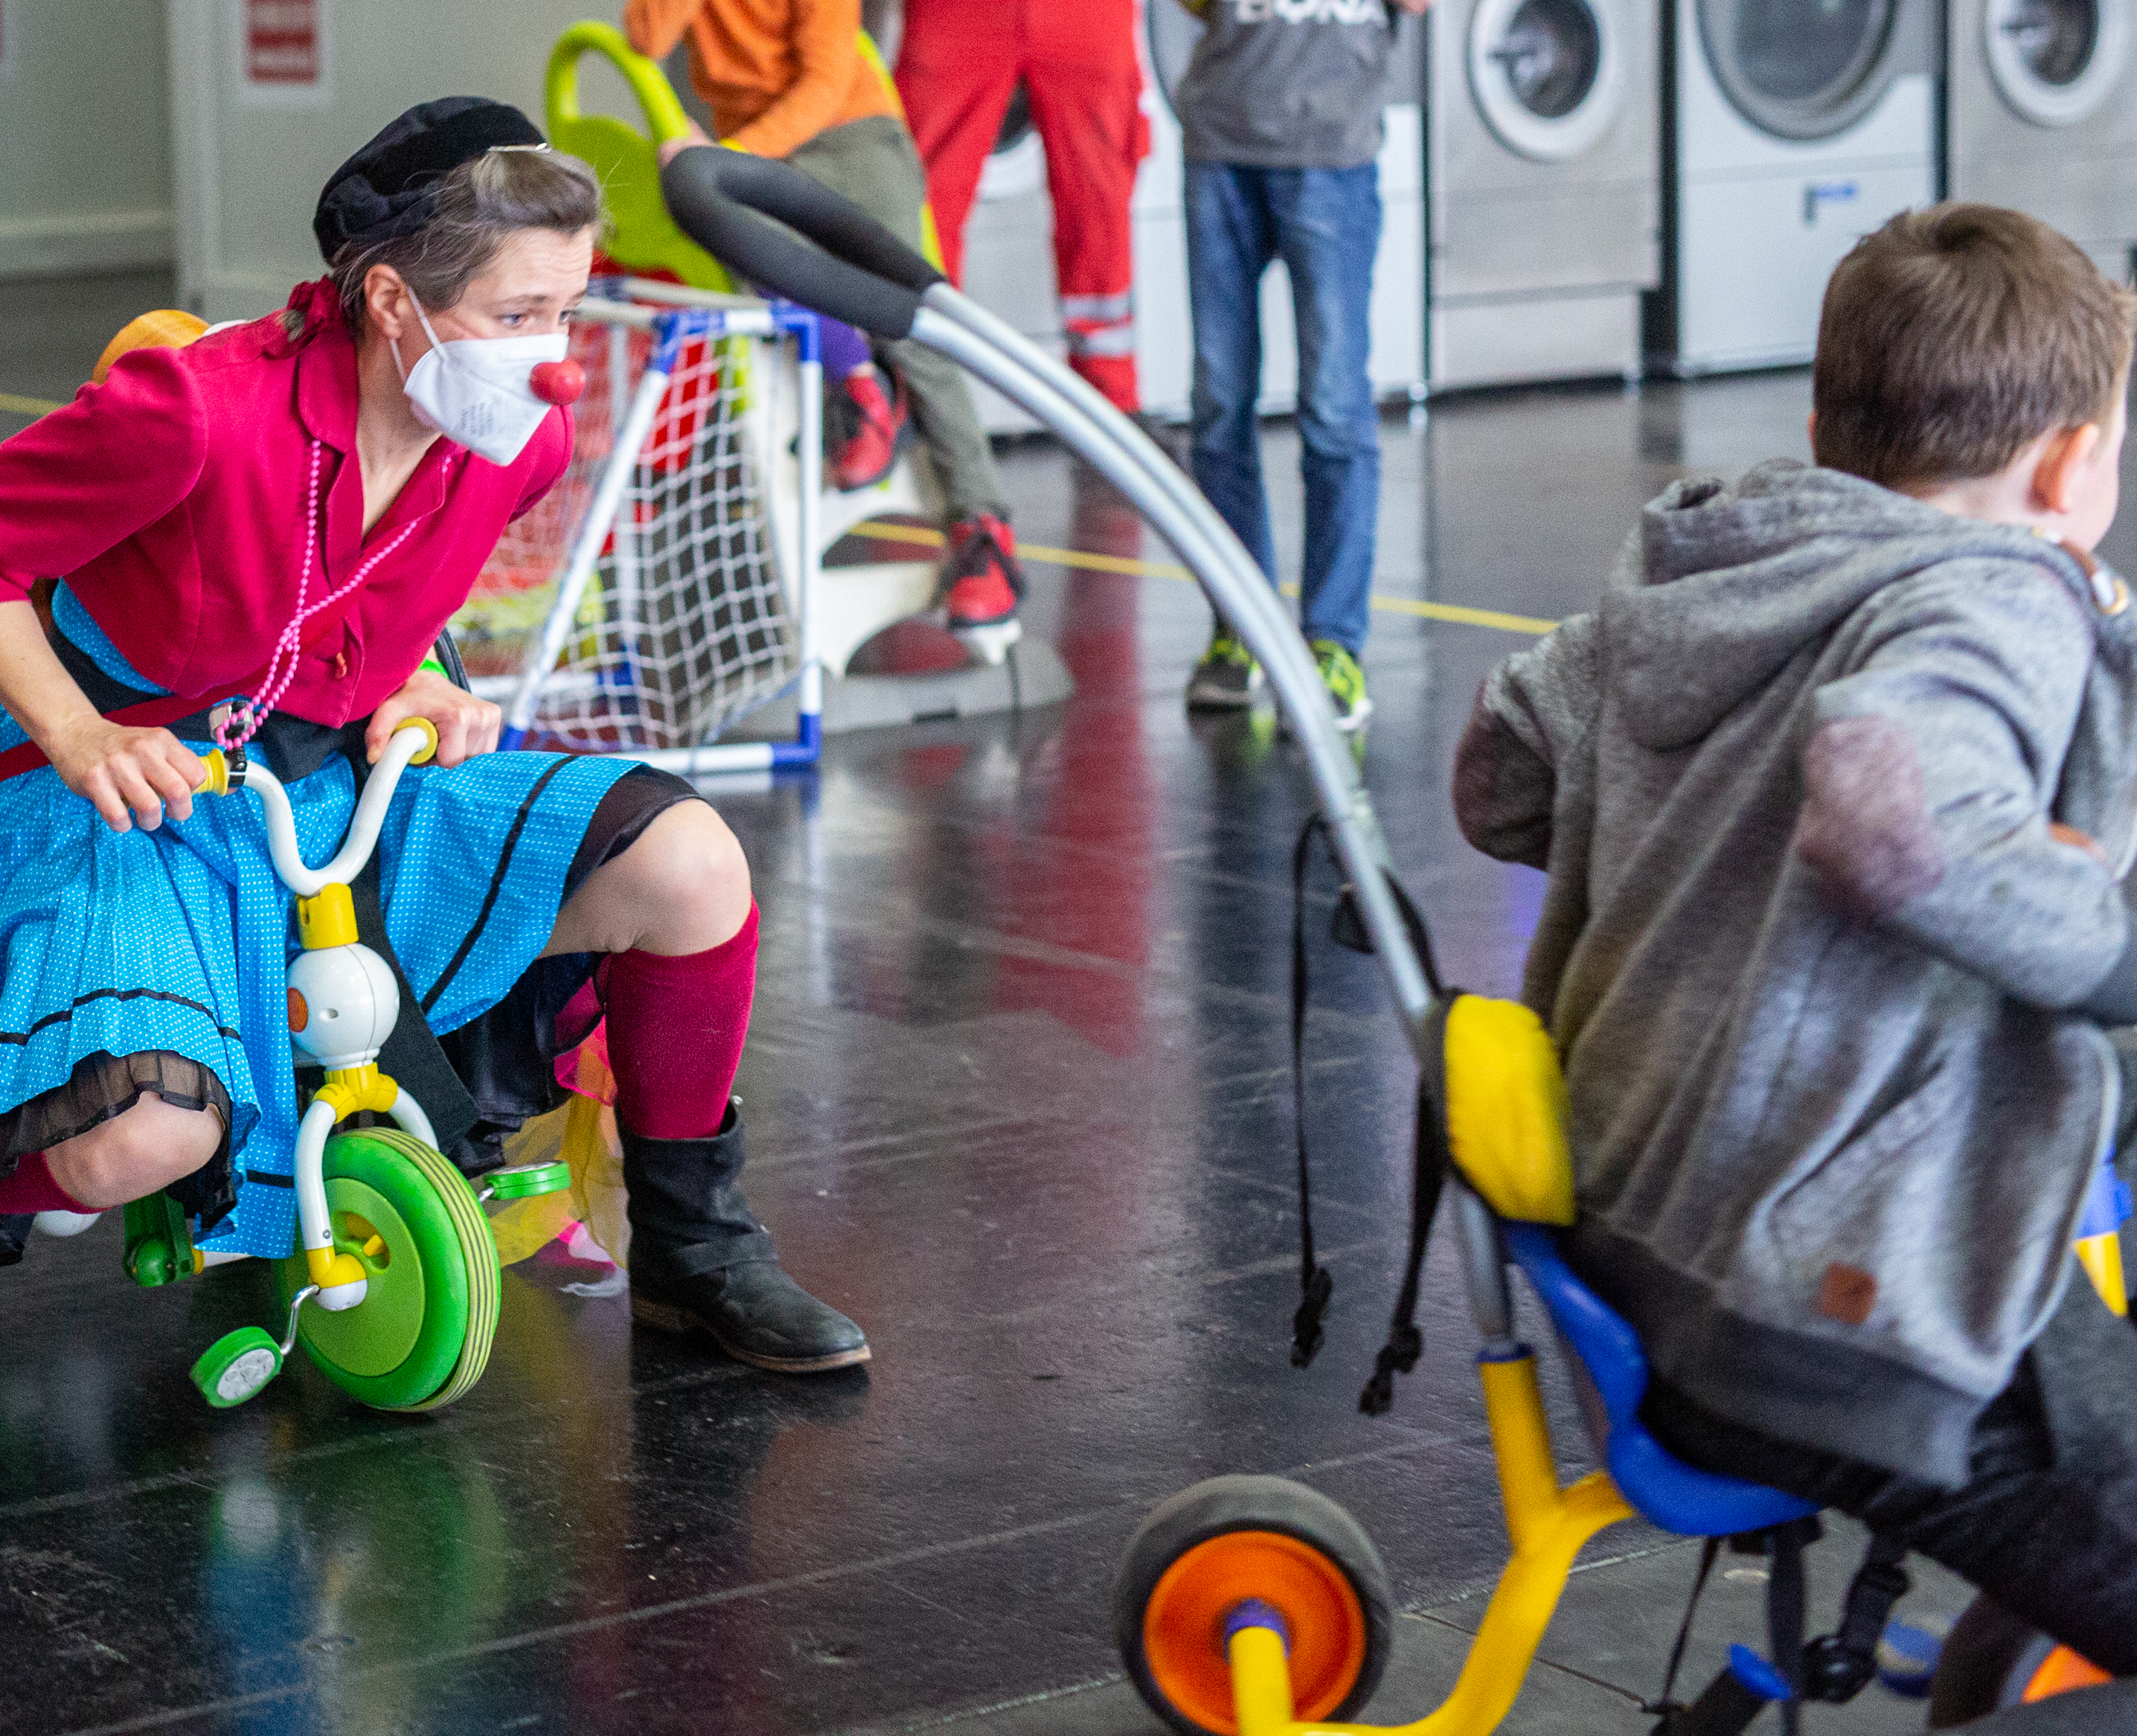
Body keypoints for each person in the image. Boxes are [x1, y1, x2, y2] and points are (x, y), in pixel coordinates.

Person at [0, 97, 871, 1446]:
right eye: (520, 313)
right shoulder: (195, 412)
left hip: (327, 774)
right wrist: (76, 733)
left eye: (570, 313)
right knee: (142, 1140)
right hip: (129, 793)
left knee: (690, 861)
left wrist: (426, 675)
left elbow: (389, 591)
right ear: (391, 303)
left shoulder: (513, 436)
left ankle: (696, 1252)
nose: (554, 360)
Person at [1454, 205, 2137, 1667]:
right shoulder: (1995, 596)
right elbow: (1891, 809)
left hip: (1641, 1239)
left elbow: (1494, 770)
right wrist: (2097, 929)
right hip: (1819, 1311)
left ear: (1826, 426)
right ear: (2078, 463)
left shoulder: (1714, 565)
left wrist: (1690, 835)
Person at [625, 0, 1028, 649]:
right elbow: (645, 37)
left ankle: (983, 532)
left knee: (918, 333)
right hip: (755, 151)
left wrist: (726, 160)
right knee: (730, 238)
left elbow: (823, 83)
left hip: (848, 138)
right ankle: (861, 382)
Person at [1171, 0, 1424, 720]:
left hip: (1331, 153)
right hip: (1222, 138)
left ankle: (1334, 646)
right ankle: (1239, 628)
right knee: (1219, 405)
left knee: (1334, 407)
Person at [894, 0, 1148, 414]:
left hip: (1082, 14)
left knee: (1099, 209)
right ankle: (918, 394)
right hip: (962, 14)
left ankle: (1114, 410)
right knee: (919, 203)